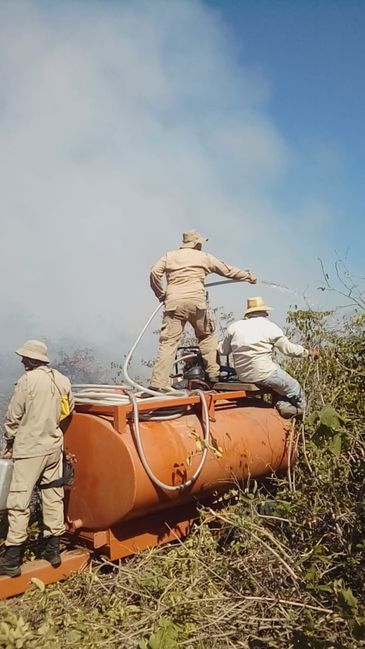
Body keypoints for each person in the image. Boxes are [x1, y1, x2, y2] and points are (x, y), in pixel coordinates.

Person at [0, 340, 74, 577]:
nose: (22, 361)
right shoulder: (61, 380)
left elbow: (14, 416)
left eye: (24, 358)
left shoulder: (27, 381)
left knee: (18, 500)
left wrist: (9, 441)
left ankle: (12, 559)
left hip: (30, 449)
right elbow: (68, 408)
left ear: (33, 360)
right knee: (53, 494)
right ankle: (52, 551)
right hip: (53, 447)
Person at [149, 229, 257, 391]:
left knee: (169, 343)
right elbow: (227, 270)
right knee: (206, 336)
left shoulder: (169, 256)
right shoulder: (204, 257)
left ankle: (157, 384)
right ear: (197, 243)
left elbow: (154, 272)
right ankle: (213, 373)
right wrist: (247, 276)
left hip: (173, 303)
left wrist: (161, 294)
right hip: (197, 303)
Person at [218, 296, 318, 418]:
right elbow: (289, 350)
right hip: (264, 373)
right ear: (264, 312)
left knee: (280, 386)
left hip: (243, 375)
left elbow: (223, 350)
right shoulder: (270, 327)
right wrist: (307, 352)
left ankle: (283, 406)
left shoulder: (234, 327)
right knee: (295, 388)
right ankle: (301, 417)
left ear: (248, 313)